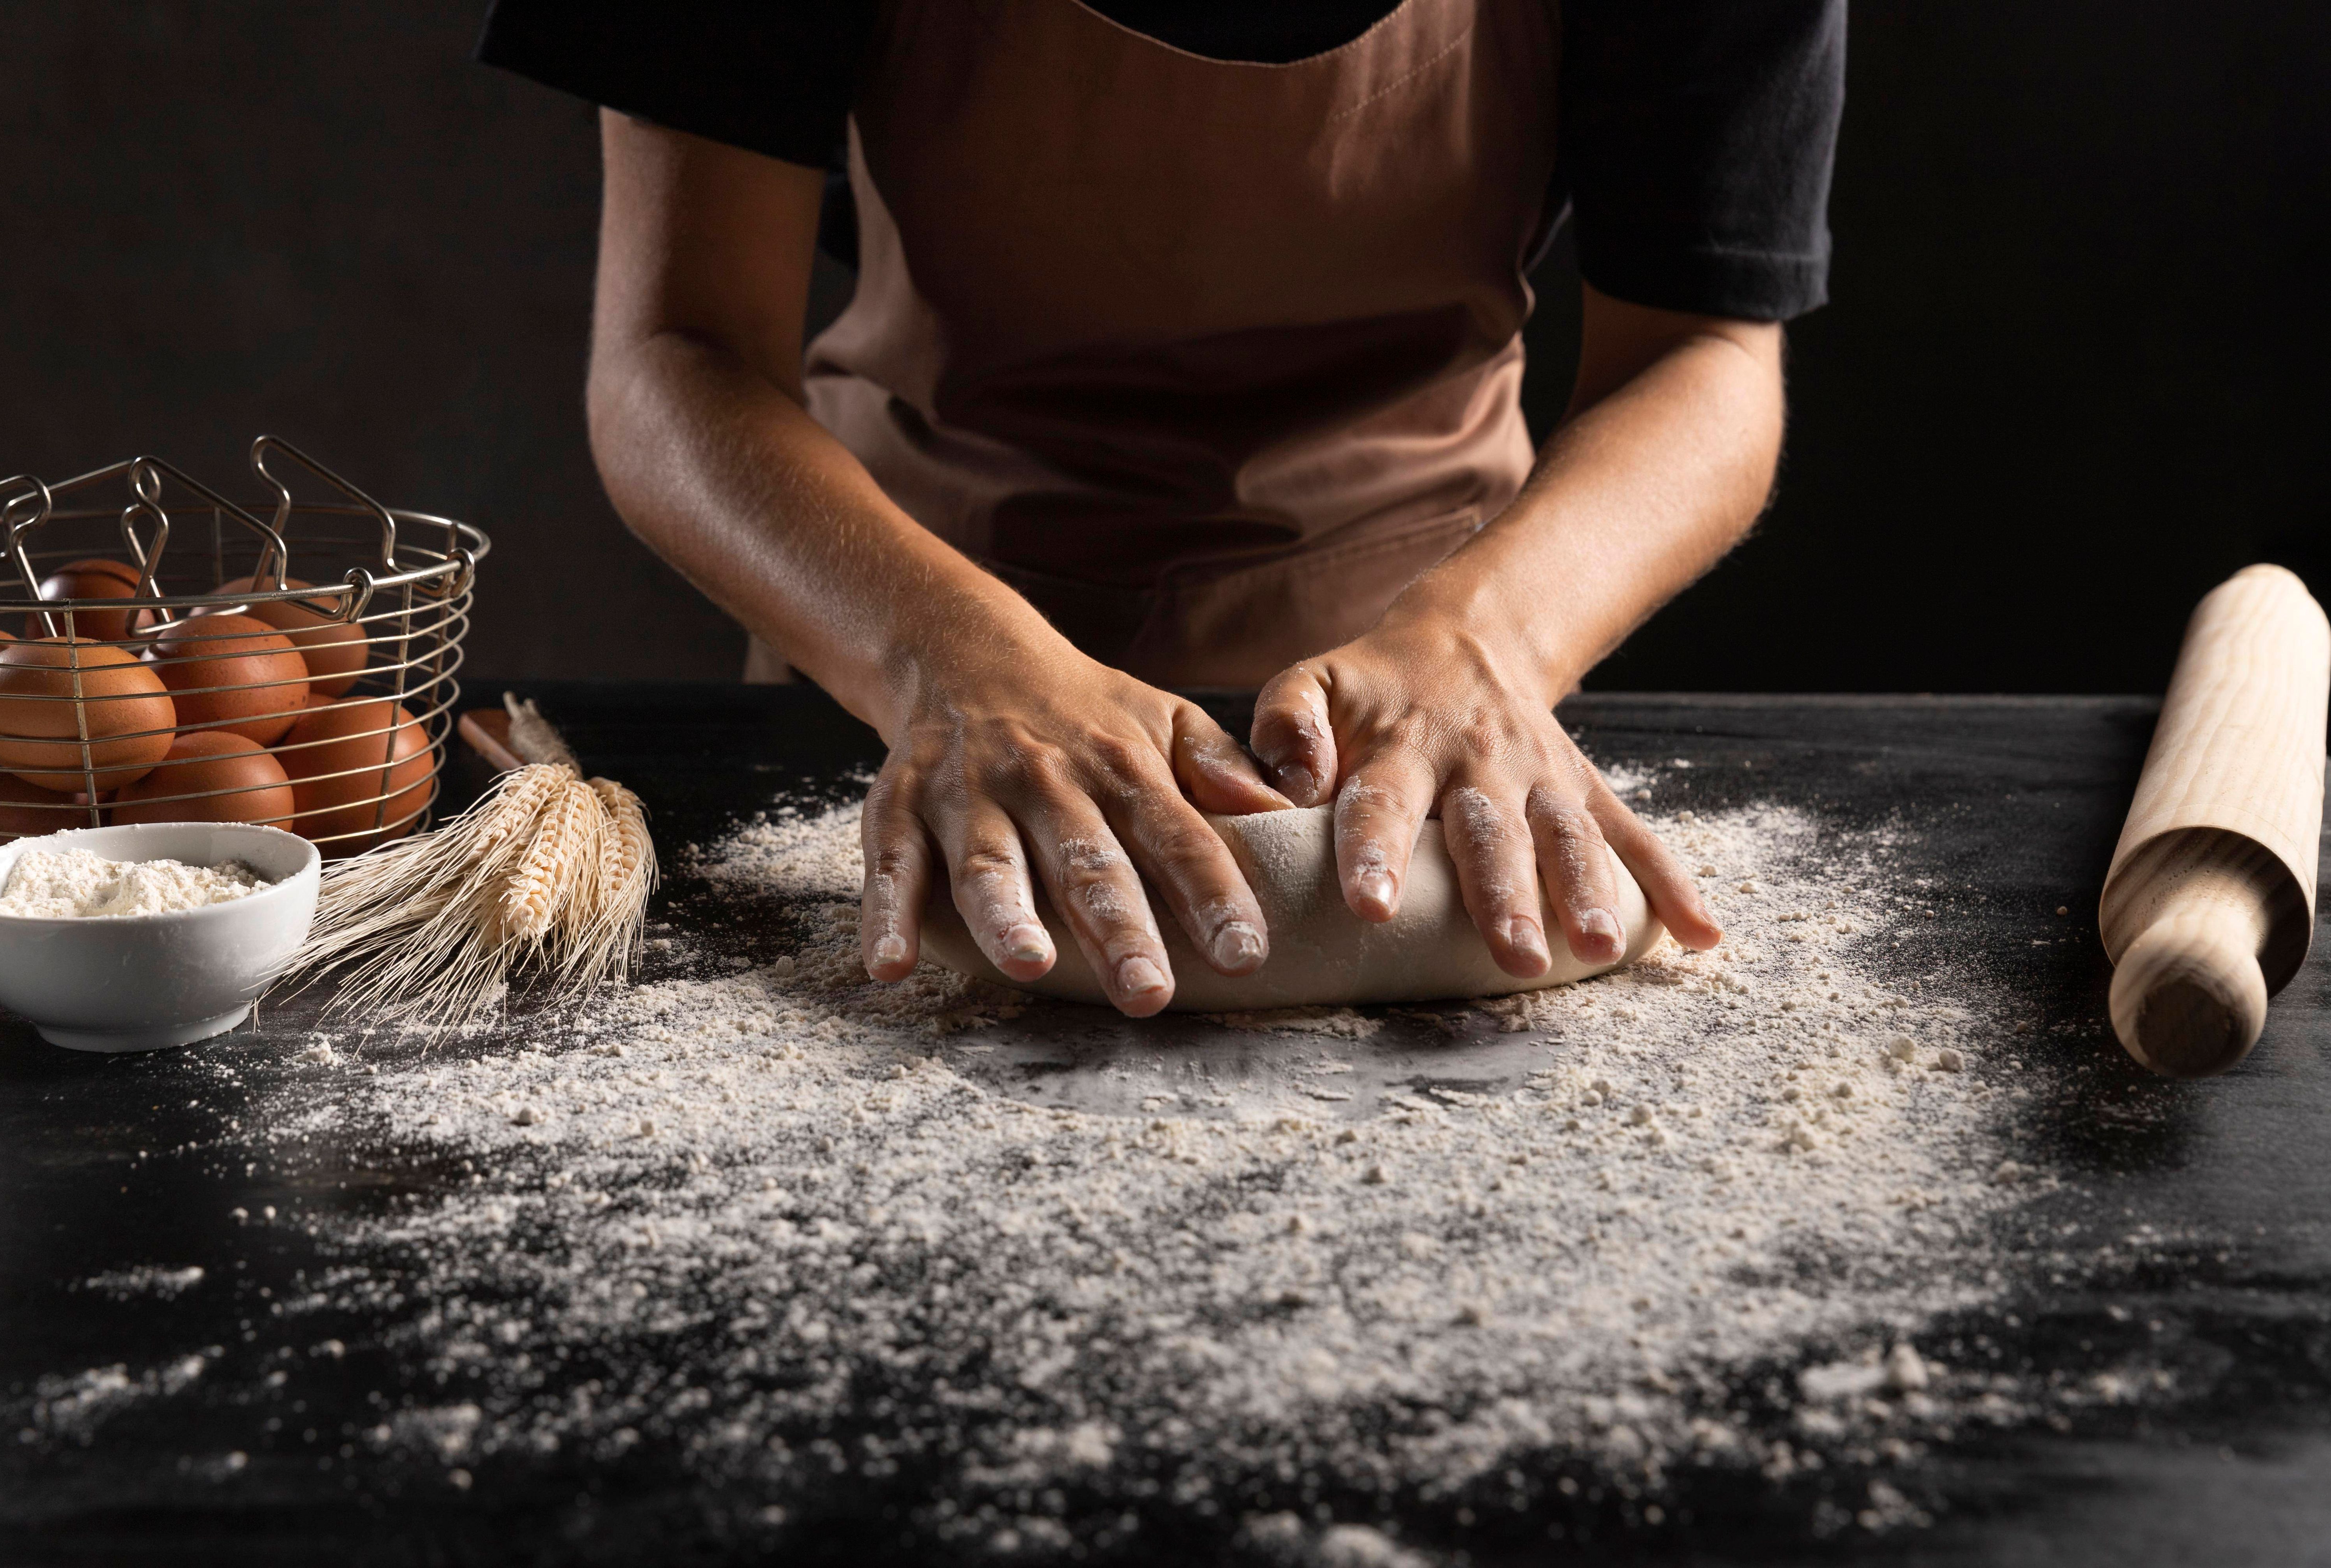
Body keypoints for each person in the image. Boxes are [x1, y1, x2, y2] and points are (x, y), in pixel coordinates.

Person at [479, 0, 1845, 1015]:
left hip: (1431, 703)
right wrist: (938, 655)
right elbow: (680, 359)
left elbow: (1706, 354)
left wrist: (1497, 639)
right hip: (897, 643)